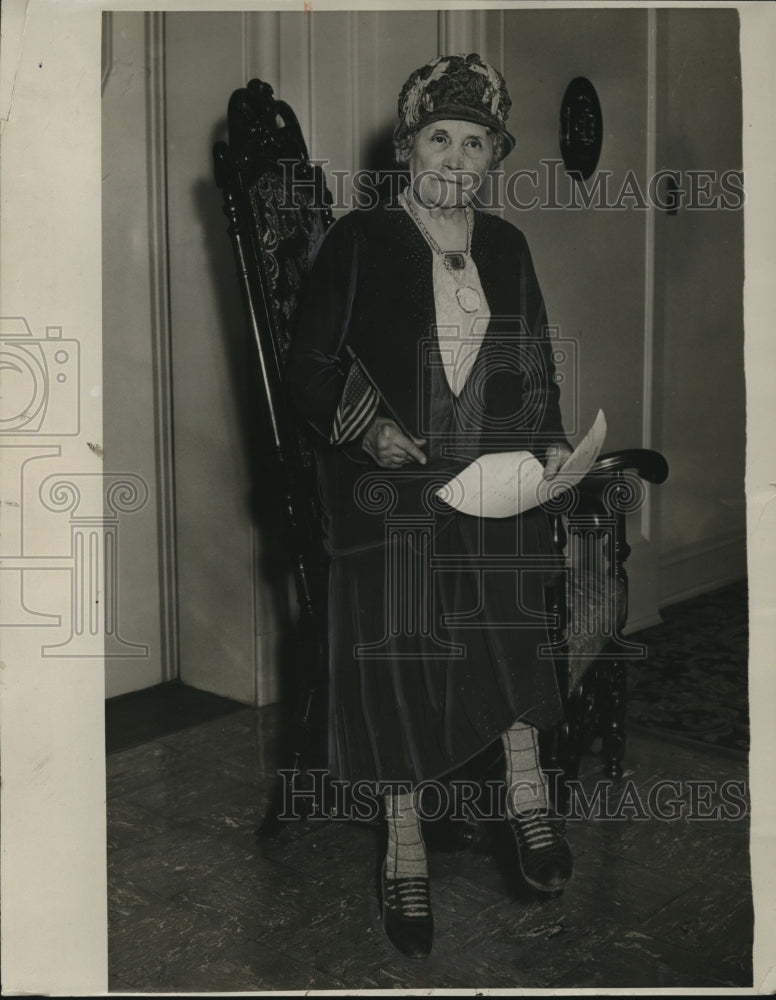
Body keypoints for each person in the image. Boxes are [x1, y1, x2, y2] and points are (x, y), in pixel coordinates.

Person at [287, 53, 574, 960]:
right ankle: (403, 845)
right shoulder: (360, 241)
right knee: (404, 593)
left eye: (475, 142)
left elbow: (532, 368)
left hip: (480, 471)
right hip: (386, 477)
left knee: (514, 546)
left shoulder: (509, 246)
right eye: (438, 138)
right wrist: (370, 433)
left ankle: (527, 798)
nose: (455, 157)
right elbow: (310, 366)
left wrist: (554, 445)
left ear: (494, 157)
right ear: (408, 148)